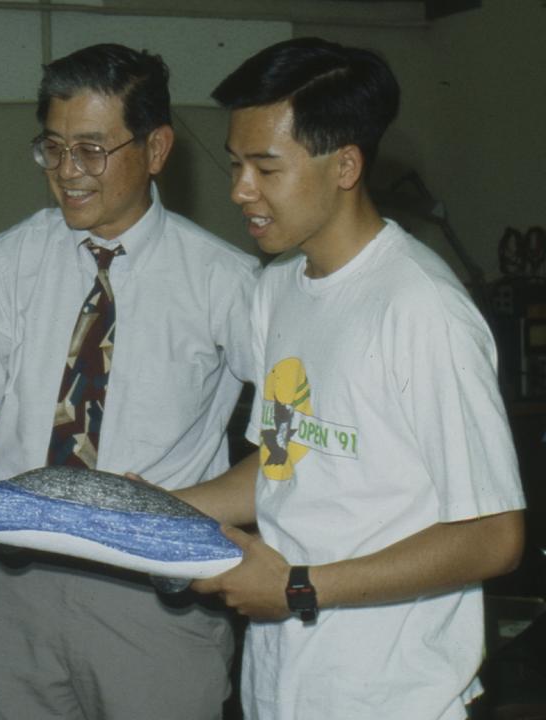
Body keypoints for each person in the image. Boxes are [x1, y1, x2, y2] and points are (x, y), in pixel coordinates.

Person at [0, 44, 259, 719]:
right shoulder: (12, 258)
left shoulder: (225, 282)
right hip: (17, 596)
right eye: (53, 149)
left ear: (156, 149)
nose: (67, 173)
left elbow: (303, 437)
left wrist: (186, 506)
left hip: (153, 604)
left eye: (91, 150)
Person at [174, 37, 526, 718]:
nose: (239, 189)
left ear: (345, 165)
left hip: (392, 696)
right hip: (286, 683)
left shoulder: (421, 309)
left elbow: (495, 534)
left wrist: (302, 588)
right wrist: (162, 508)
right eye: (236, 163)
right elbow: (288, 461)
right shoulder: (277, 290)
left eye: (266, 167)